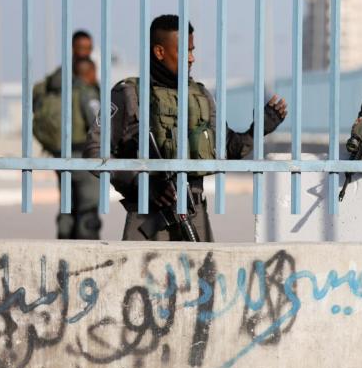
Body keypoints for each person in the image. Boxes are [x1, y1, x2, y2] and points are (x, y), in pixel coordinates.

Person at [84, 14, 287, 242]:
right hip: (147, 214)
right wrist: (140, 182)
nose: (191, 58)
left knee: (200, 277)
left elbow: (227, 149)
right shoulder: (128, 95)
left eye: (192, 50)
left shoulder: (201, 96)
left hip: (194, 211)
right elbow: (95, 150)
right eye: (184, 51)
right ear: (159, 52)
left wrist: (257, 130)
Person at [33, 30, 102, 239]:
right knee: (87, 209)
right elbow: (97, 121)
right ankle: (86, 254)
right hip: (82, 153)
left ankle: (63, 247)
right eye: (83, 48)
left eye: (88, 48)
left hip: (60, 154)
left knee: (66, 206)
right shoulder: (84, 81)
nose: (86, 52)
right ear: (74, 48)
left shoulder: (56, 79)